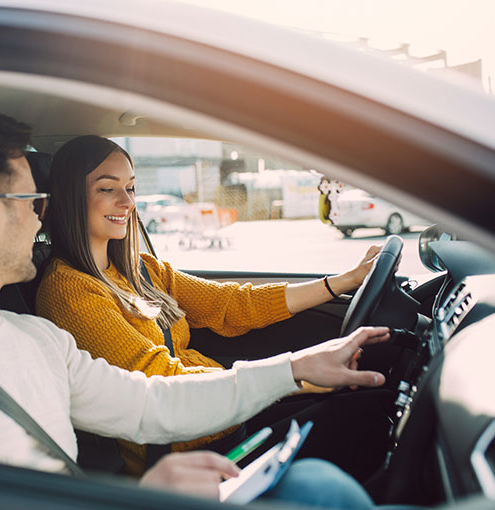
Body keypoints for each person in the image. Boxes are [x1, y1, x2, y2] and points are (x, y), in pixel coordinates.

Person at [0, 111, 389, 507]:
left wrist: (295, 369)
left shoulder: (33, 339)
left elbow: (150, 401)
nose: (41, 216)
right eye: (32, 200)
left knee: (316, 486)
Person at [35, 135, 389, 478]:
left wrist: (341, 282)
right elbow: (160, 384)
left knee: (370, 403)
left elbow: (232, 305)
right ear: (71, 197)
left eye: (131, 187)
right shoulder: (70, 290)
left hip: (222, 421)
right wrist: (293, 379)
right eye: (107, 188)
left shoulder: (142, 268)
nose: (127, 202)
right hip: (183, 453)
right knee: (362, 416)